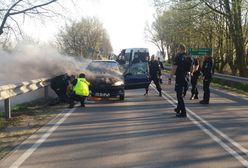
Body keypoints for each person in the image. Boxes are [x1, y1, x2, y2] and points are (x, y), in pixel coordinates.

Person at [168, 44, 188, 118]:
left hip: (180, 78)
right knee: (181, 94)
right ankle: (178, 109)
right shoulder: (189, 57)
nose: (178, 50)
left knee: (179, 96)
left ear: (180, 49)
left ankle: (183, 112)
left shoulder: (178, 57)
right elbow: (192, 68)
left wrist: (170, 78)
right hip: (186, 78)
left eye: (178, 49)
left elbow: (174, 68)